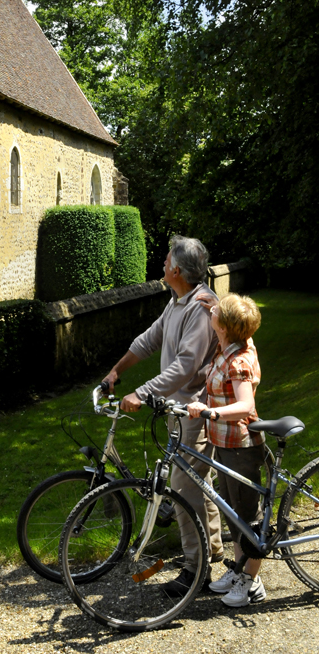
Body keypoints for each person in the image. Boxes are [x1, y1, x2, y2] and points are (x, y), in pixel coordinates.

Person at [103, 235, 223, 596]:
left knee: (185, 490)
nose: (163, 263)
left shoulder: (200, 308)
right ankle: (212, 550)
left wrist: (142, 392)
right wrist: (116, 371)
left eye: (167, 259)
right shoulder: (178, 301)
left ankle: (196, 571)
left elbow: (185, 367)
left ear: (178, 270)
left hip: (195, 410)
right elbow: (149, 340)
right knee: (199, 484)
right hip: (178, 408)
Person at [188, 292, 266, 607]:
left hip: (240, 447)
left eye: (218, 312)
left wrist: (211, 412)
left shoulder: (239, 361)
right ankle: (240, 570)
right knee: (233, 515)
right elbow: (234, 322)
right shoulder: (228, 345)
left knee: (248, 519)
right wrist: (218, 308)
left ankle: (252, 581)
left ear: (224, 327)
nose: (213, 311)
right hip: (224, 444)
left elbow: (245, 405)